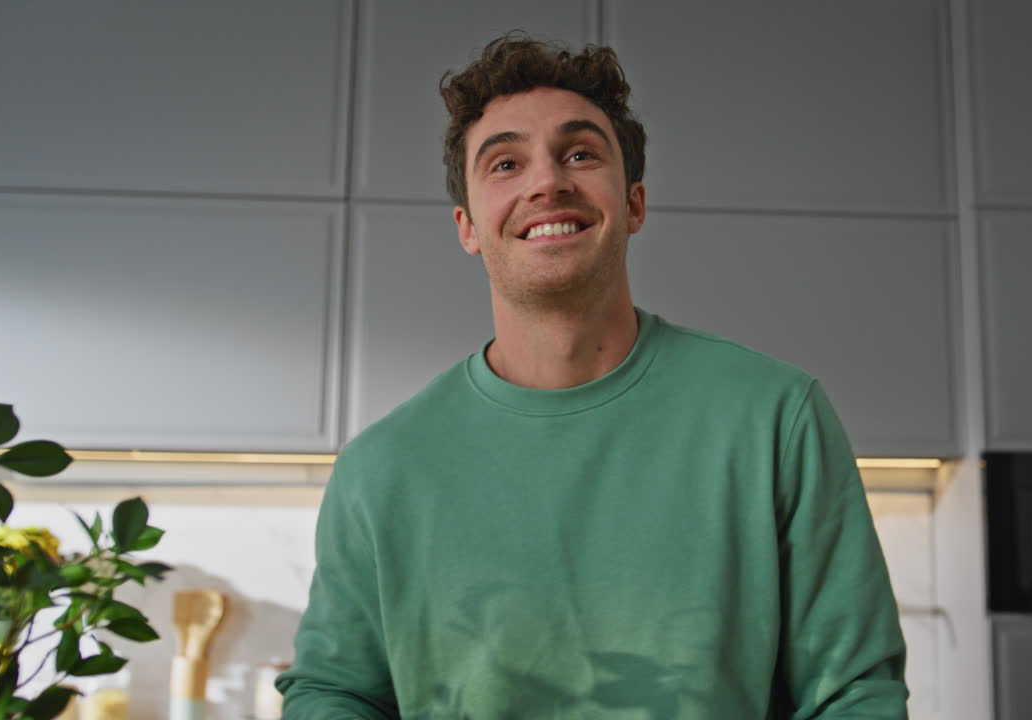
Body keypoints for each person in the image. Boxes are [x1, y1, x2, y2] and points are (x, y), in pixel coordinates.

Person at [277, 33, 908, 719]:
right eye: (506, 163)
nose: (547, 183)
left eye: (580, 154)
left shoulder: (777, 418)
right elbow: (334, 692)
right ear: (468, 226)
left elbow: (854, 693)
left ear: (633, 204)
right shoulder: (379, 471)